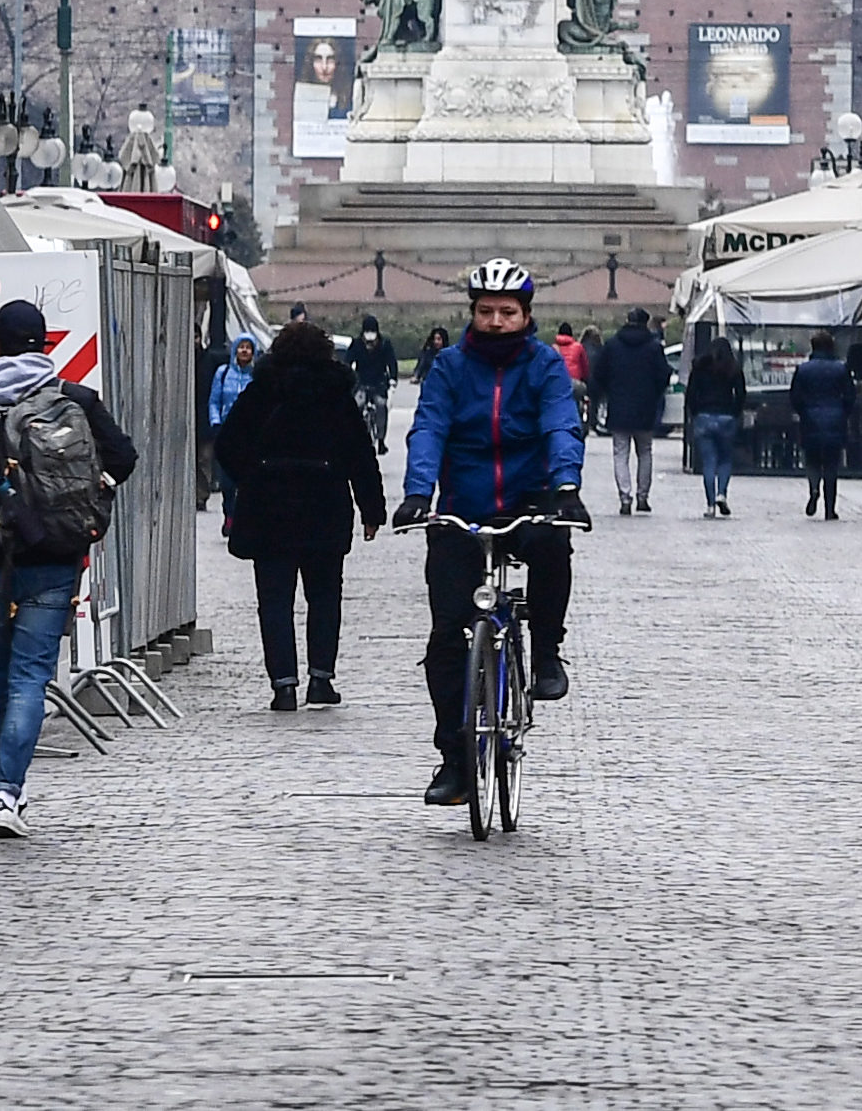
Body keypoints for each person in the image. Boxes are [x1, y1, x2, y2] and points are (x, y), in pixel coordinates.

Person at [0, 298, 133, 840]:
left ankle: (5, 788)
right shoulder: (75, 400)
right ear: (44, 344)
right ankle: (8, 791)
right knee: (31, 676)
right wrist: (92, 498)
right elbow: (124, 457)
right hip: (55, 559)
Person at [394, 257, 588, 808]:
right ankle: (455, 760)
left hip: (529, 498)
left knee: (553, 544)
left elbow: (558, 422)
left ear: (526, 315)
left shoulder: (546, 365)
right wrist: (417, 494)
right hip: (464, 505)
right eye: (486, 312)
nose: (496, 321)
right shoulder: (451, 367)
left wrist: (566, 485)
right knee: (446, 637)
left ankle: (547, 652)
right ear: (472, 313)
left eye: (507, 312)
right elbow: (429, 426)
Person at [213, 318, 389, 711]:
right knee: (324, 596)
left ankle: (283, 684)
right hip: (324, 505)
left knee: (274, 599)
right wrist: (372, 510)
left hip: (269, 507)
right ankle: (321, 678)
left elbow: (226, 443)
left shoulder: (261, 391)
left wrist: (254, 474)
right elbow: (361, 455)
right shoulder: (336, 396)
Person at [593, 310, 673, 514]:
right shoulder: (653, 347)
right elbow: (663, 374)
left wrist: (606, 392)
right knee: (645, 451)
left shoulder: (612, 345)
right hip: (645, 407)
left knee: (621, 452)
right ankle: (642, 496)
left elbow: (599, 373)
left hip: (619, 406)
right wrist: (654, 394)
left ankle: (625, 496)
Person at [787, 329, 862, 518]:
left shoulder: (803, 370)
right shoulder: (841, 369)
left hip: (810, 420)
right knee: (831, 465)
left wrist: (804, 411)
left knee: (812, 460)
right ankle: (830, 509)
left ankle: (813, 488)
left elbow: (795, 396)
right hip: (835, 420)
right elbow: (850, 395)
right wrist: (843, 412)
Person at [684, 325, 753, 516]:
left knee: (708, 462)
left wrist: (695, 412)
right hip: (726, 416)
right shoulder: (733, 368)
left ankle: (710, 505)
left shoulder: (699, 367)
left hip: (704, 416)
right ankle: (722, 493)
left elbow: (691, 393)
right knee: (725, 459)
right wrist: (735, 412)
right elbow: (741, 394)